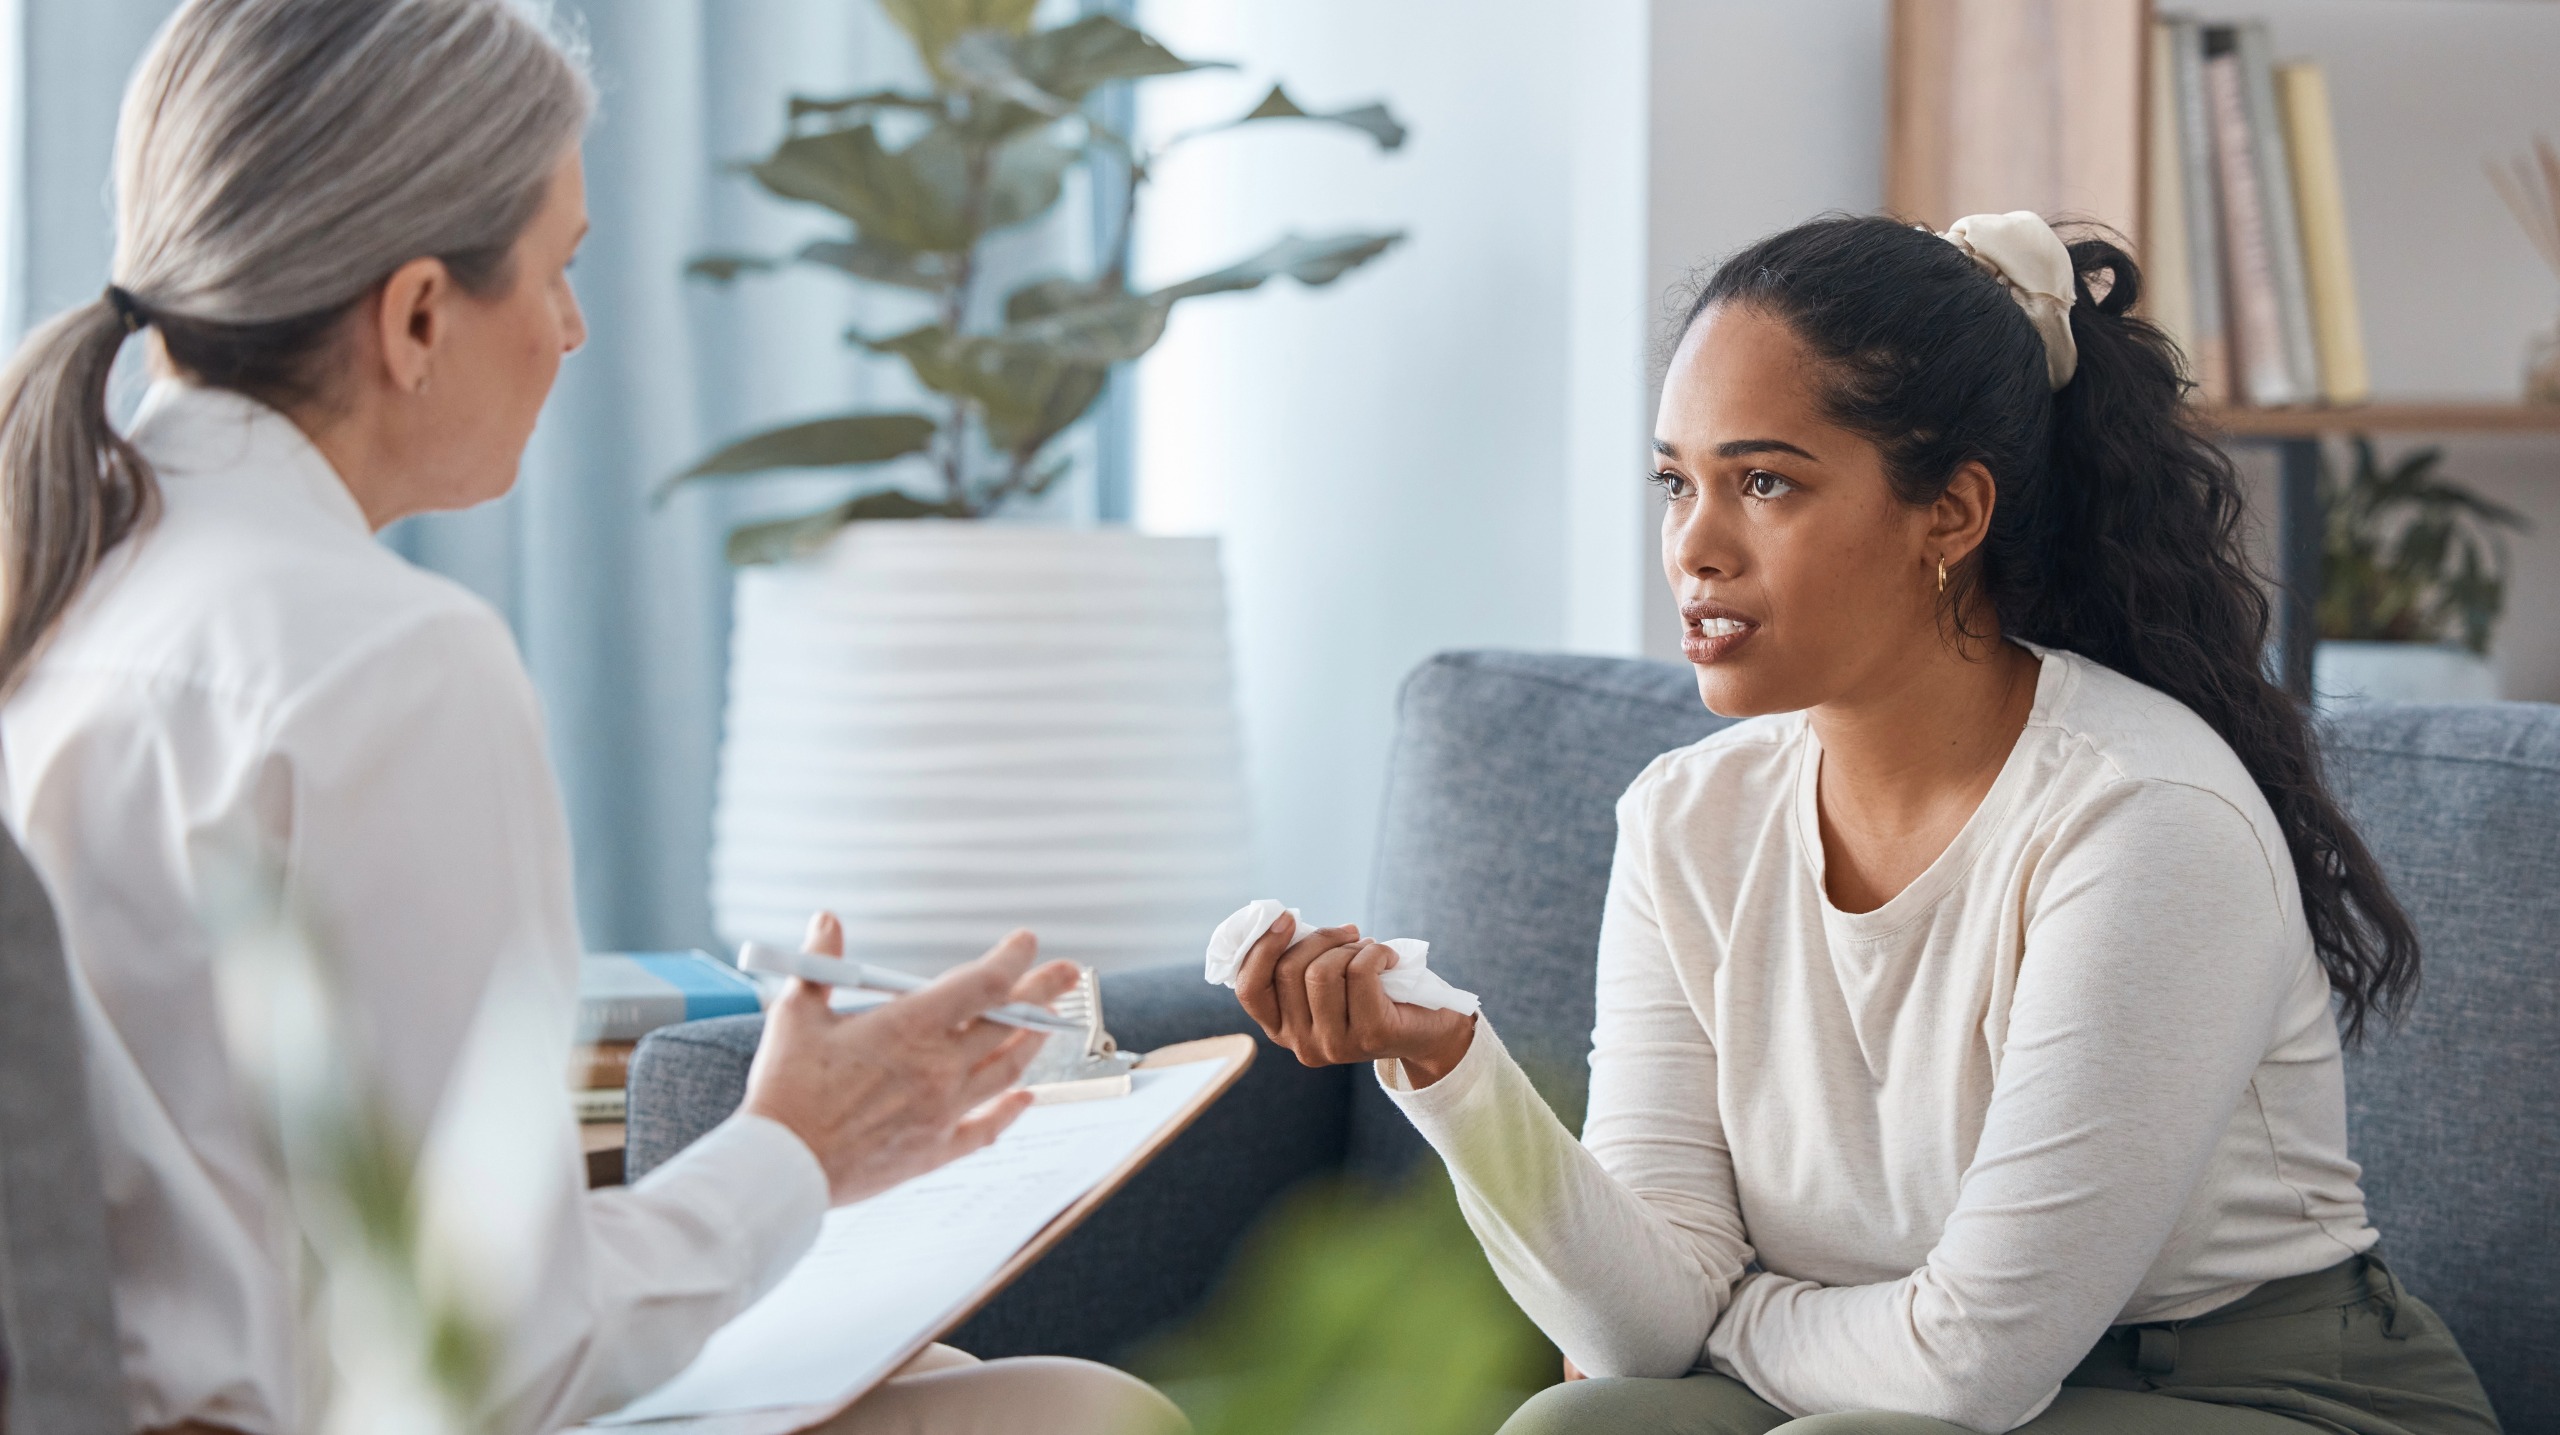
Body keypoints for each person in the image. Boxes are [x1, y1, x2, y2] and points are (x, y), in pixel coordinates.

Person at [0, 3, 1181, 1434]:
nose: (574, 326)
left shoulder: (66, 586)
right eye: (560, 267)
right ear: (420, 312)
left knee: (931, 1380)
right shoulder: (384, 661)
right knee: (1079, 1412)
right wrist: (798, 1145)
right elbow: (495, 1354)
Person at [1225, 213, 2502, 1435]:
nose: (1694, 549)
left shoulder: (2139, 816)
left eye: (1765, 483)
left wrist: (1731, 1322)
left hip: (2259, 1398)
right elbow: (1630, 1338)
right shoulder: (1687, 816)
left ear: (1950, 512)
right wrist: (1449, 1071)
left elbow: (1971, 1367)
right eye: (1675, 483)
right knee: (1589, 1420)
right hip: (1895, 1385)